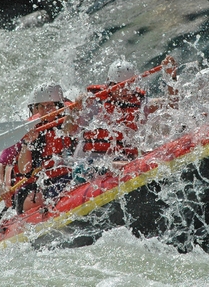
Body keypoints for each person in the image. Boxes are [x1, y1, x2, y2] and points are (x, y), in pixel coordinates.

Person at [63, 56, 177, 177]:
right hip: (88, 163)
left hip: (121, 158)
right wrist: (74, 110)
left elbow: (172, 104)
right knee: (122, 165)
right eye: (118, 86)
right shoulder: (94, 103)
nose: (124, 91)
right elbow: (67, 130)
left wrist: (171, 77)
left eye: (128, 86)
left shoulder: (141, 103)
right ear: (109, 84)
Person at [15, 83, 75, 214]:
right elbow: (24, 169)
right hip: (46, 182)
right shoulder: (31, 130)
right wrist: (27, 143)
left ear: (59, 106)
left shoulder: (70, 119)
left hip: (72, 175)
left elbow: (74, 130)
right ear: (35, 108)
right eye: (42, 106)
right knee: (33, 200)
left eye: (51, 105)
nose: (47, 110)